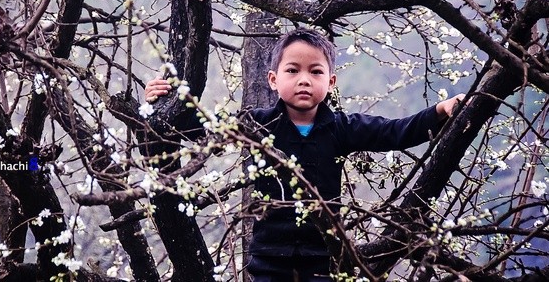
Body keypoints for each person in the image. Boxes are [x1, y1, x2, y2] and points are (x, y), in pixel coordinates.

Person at [144, 28, 464, 282]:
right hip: (269, 258)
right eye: (293, 70)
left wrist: (441, 110)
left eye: (315, 72)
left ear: (331, 82)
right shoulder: (256, 124)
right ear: (273, 79)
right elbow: (201, 129)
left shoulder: (342, 128)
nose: (304, 80)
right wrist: (164, 102)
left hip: (323, 257)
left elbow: (396, 132)